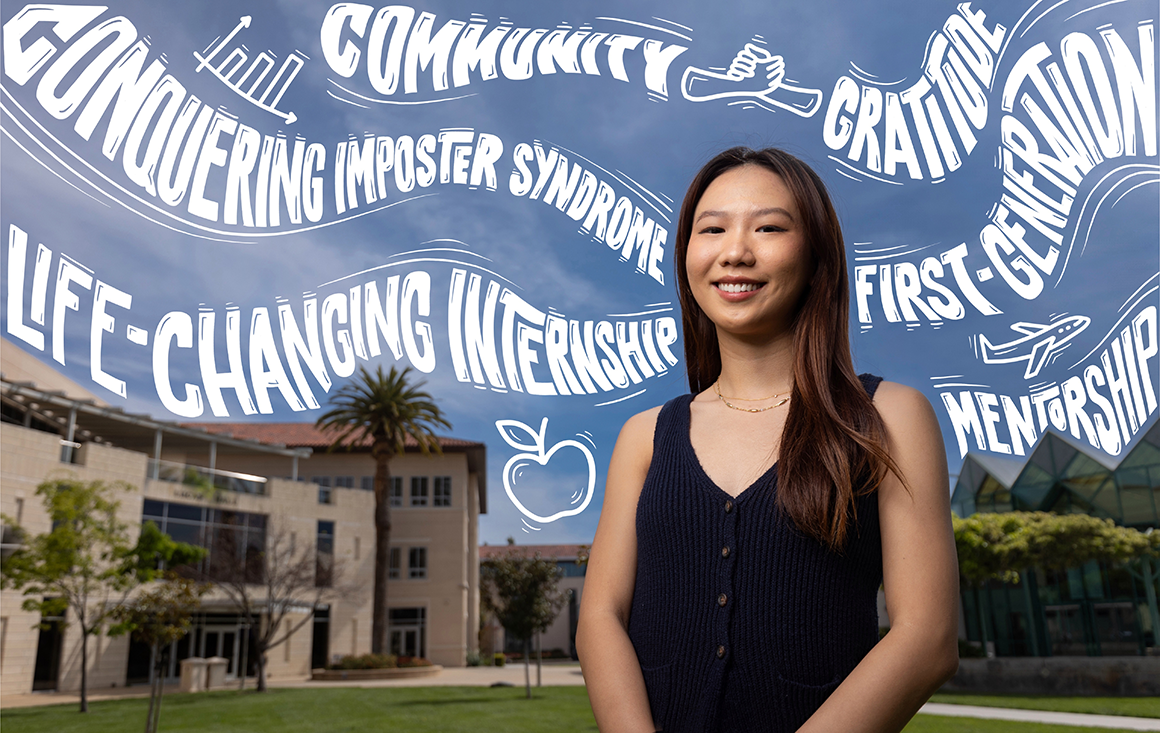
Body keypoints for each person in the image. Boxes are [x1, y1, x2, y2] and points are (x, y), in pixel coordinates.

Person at [576, 147, 959, 733]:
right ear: (686, 257)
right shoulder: (644, 437)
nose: (735, 251)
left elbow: (927, 637)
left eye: (769, 227)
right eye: (712, 229)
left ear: (816, 257)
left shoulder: (889, 416)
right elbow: (600, 615)